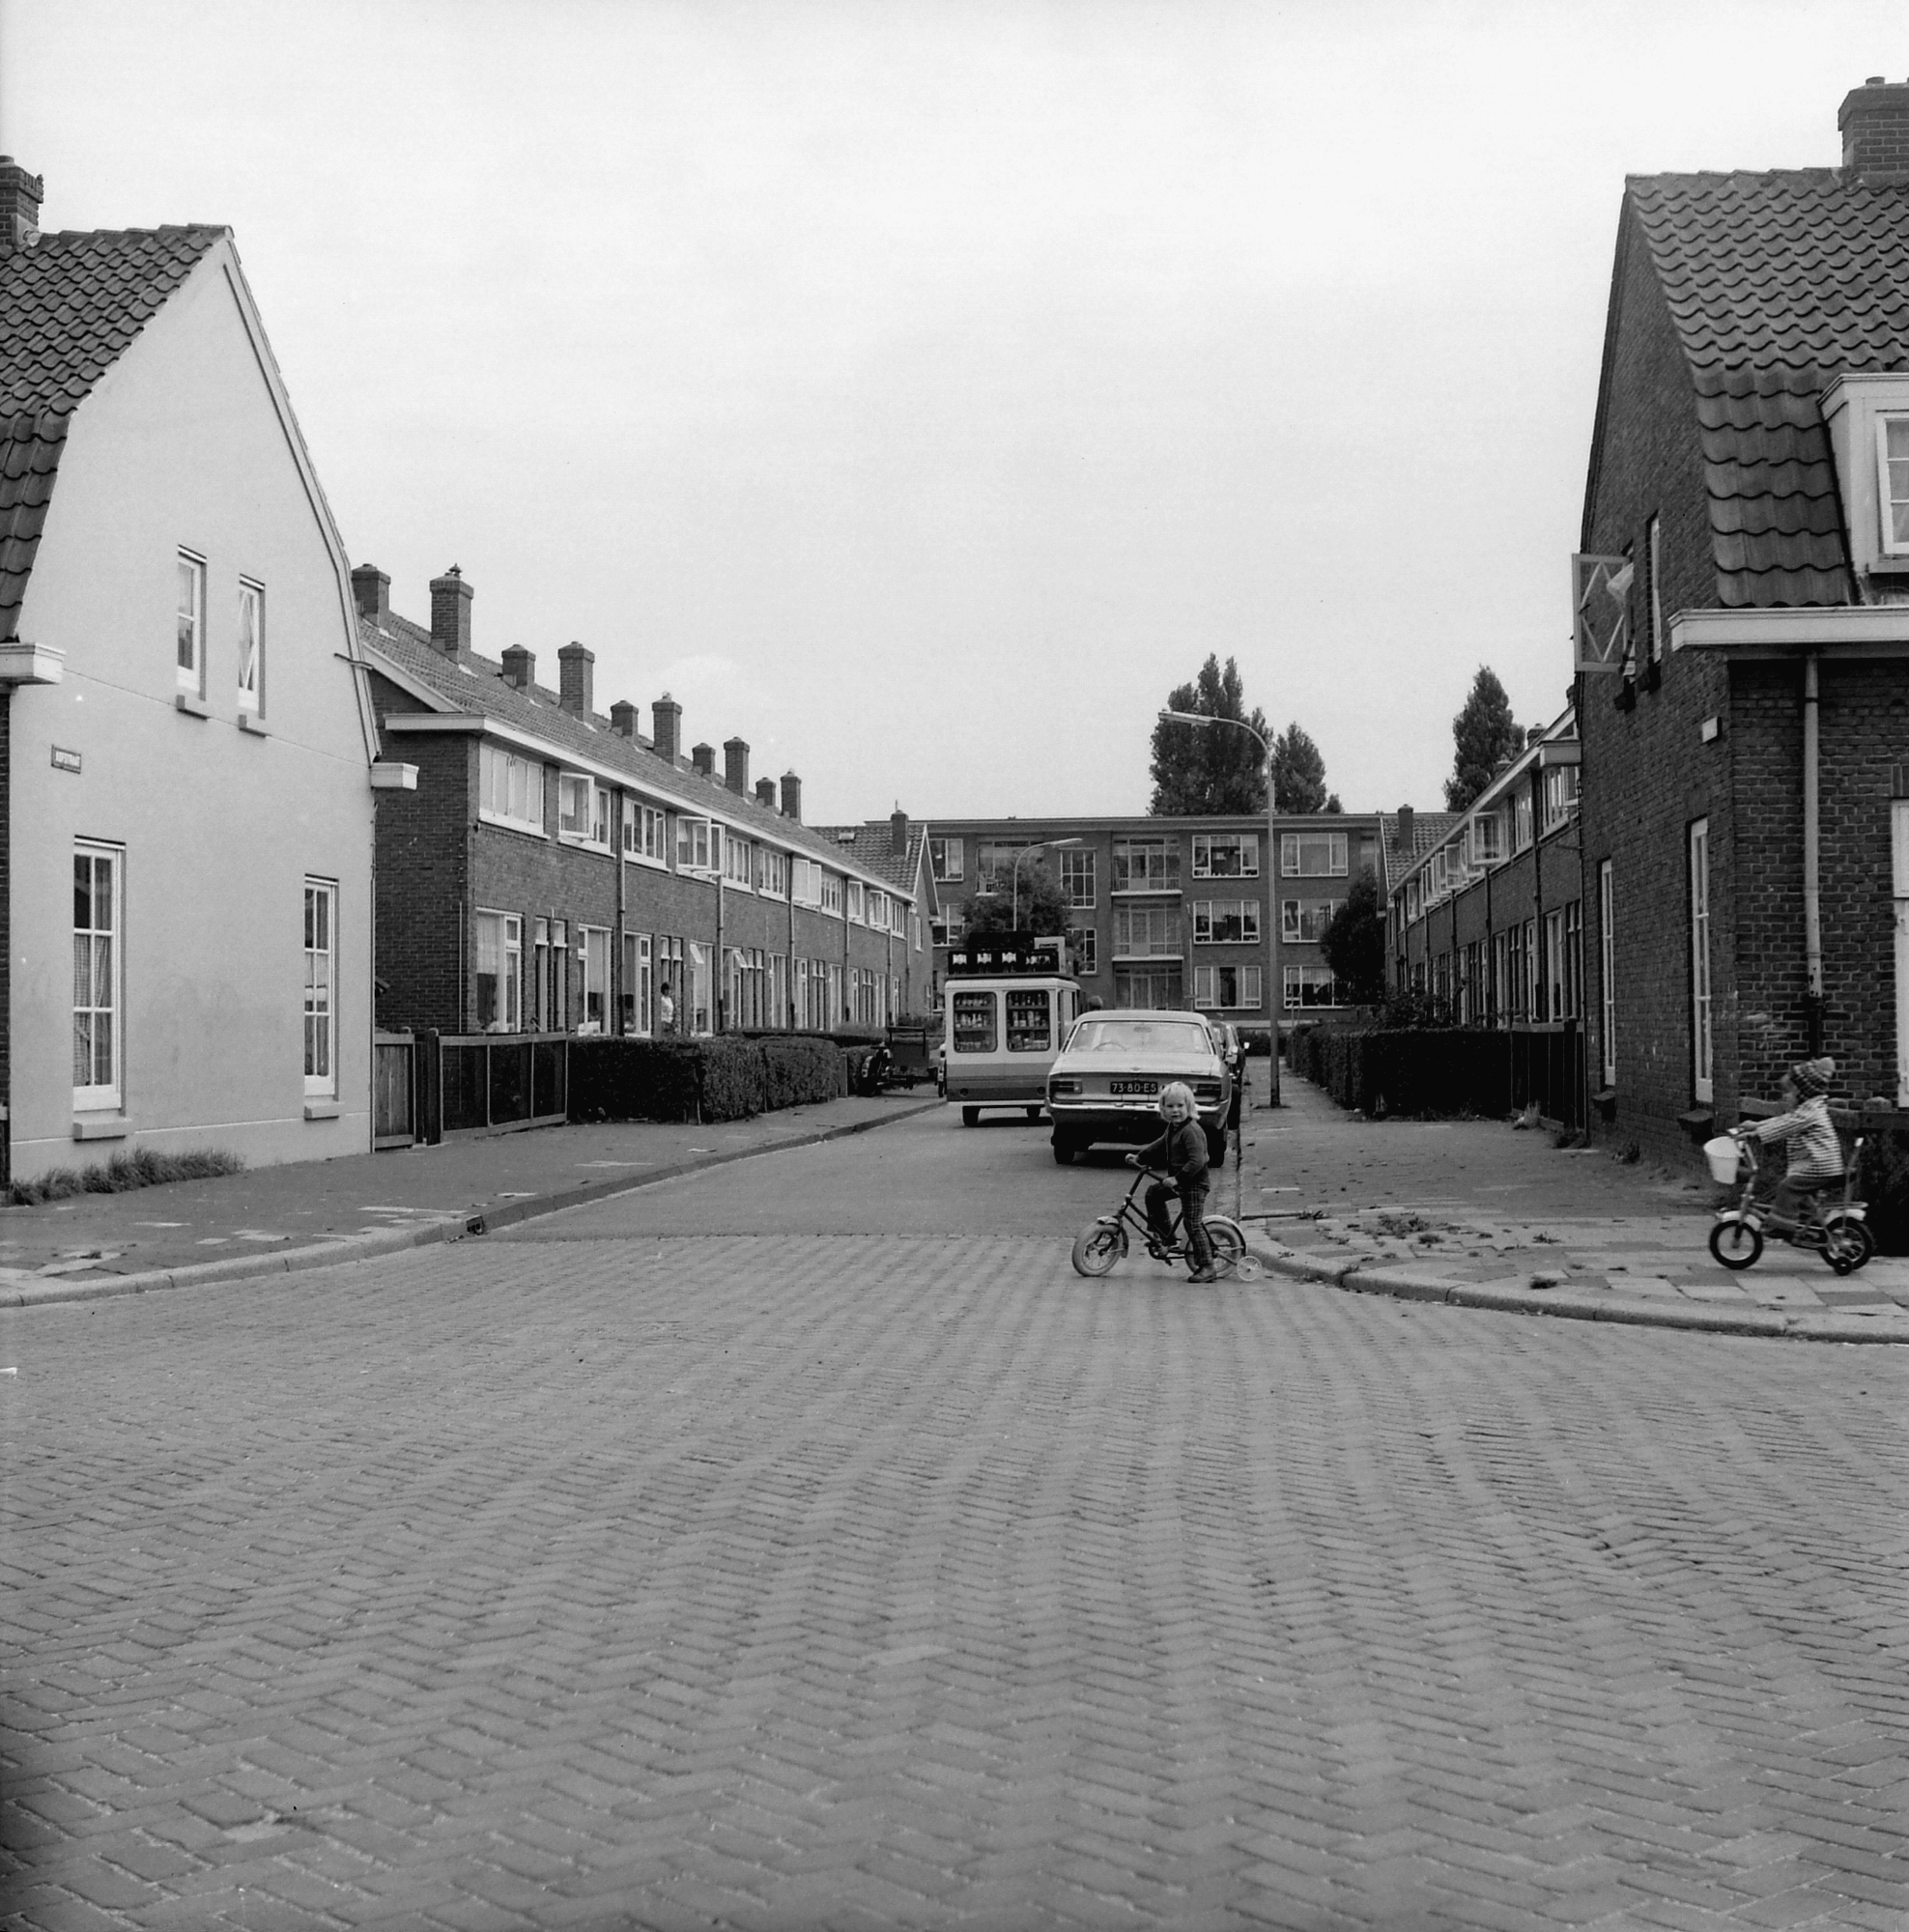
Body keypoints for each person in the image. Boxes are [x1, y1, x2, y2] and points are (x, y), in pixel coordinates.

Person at [1740, 1056, 1844, 1230]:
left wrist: (1757, 1135)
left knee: (1787, 1187)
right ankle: (1807, 1226)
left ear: (1802, 1092)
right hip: (1817, 1165)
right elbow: (1784, 1120)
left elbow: (1785, 1127)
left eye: (1788, 1092)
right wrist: (1756, 1126)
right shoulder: (1808, 1109)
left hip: (1819, 1167)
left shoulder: (1809, 1113)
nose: (1785, 1096)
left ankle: (1782, 1227)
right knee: (1799, 1194)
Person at [1126, 1082, 1215, 1281]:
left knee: (1192, 1224)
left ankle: (1208, 1266)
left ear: (1189, 1106)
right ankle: (1165, 1237)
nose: (1175, 1110)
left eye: (1180, 1106)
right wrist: (1140, 1157)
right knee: (1154, 1193)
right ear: (1163, 1109)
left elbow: (1198, 1161)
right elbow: (1160, 1145)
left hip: (1195, 1183)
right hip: (1181, 1182)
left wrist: (1177, 1178)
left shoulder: (1191, 1130)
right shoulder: (1173, 1128)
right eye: (1170, 1106)